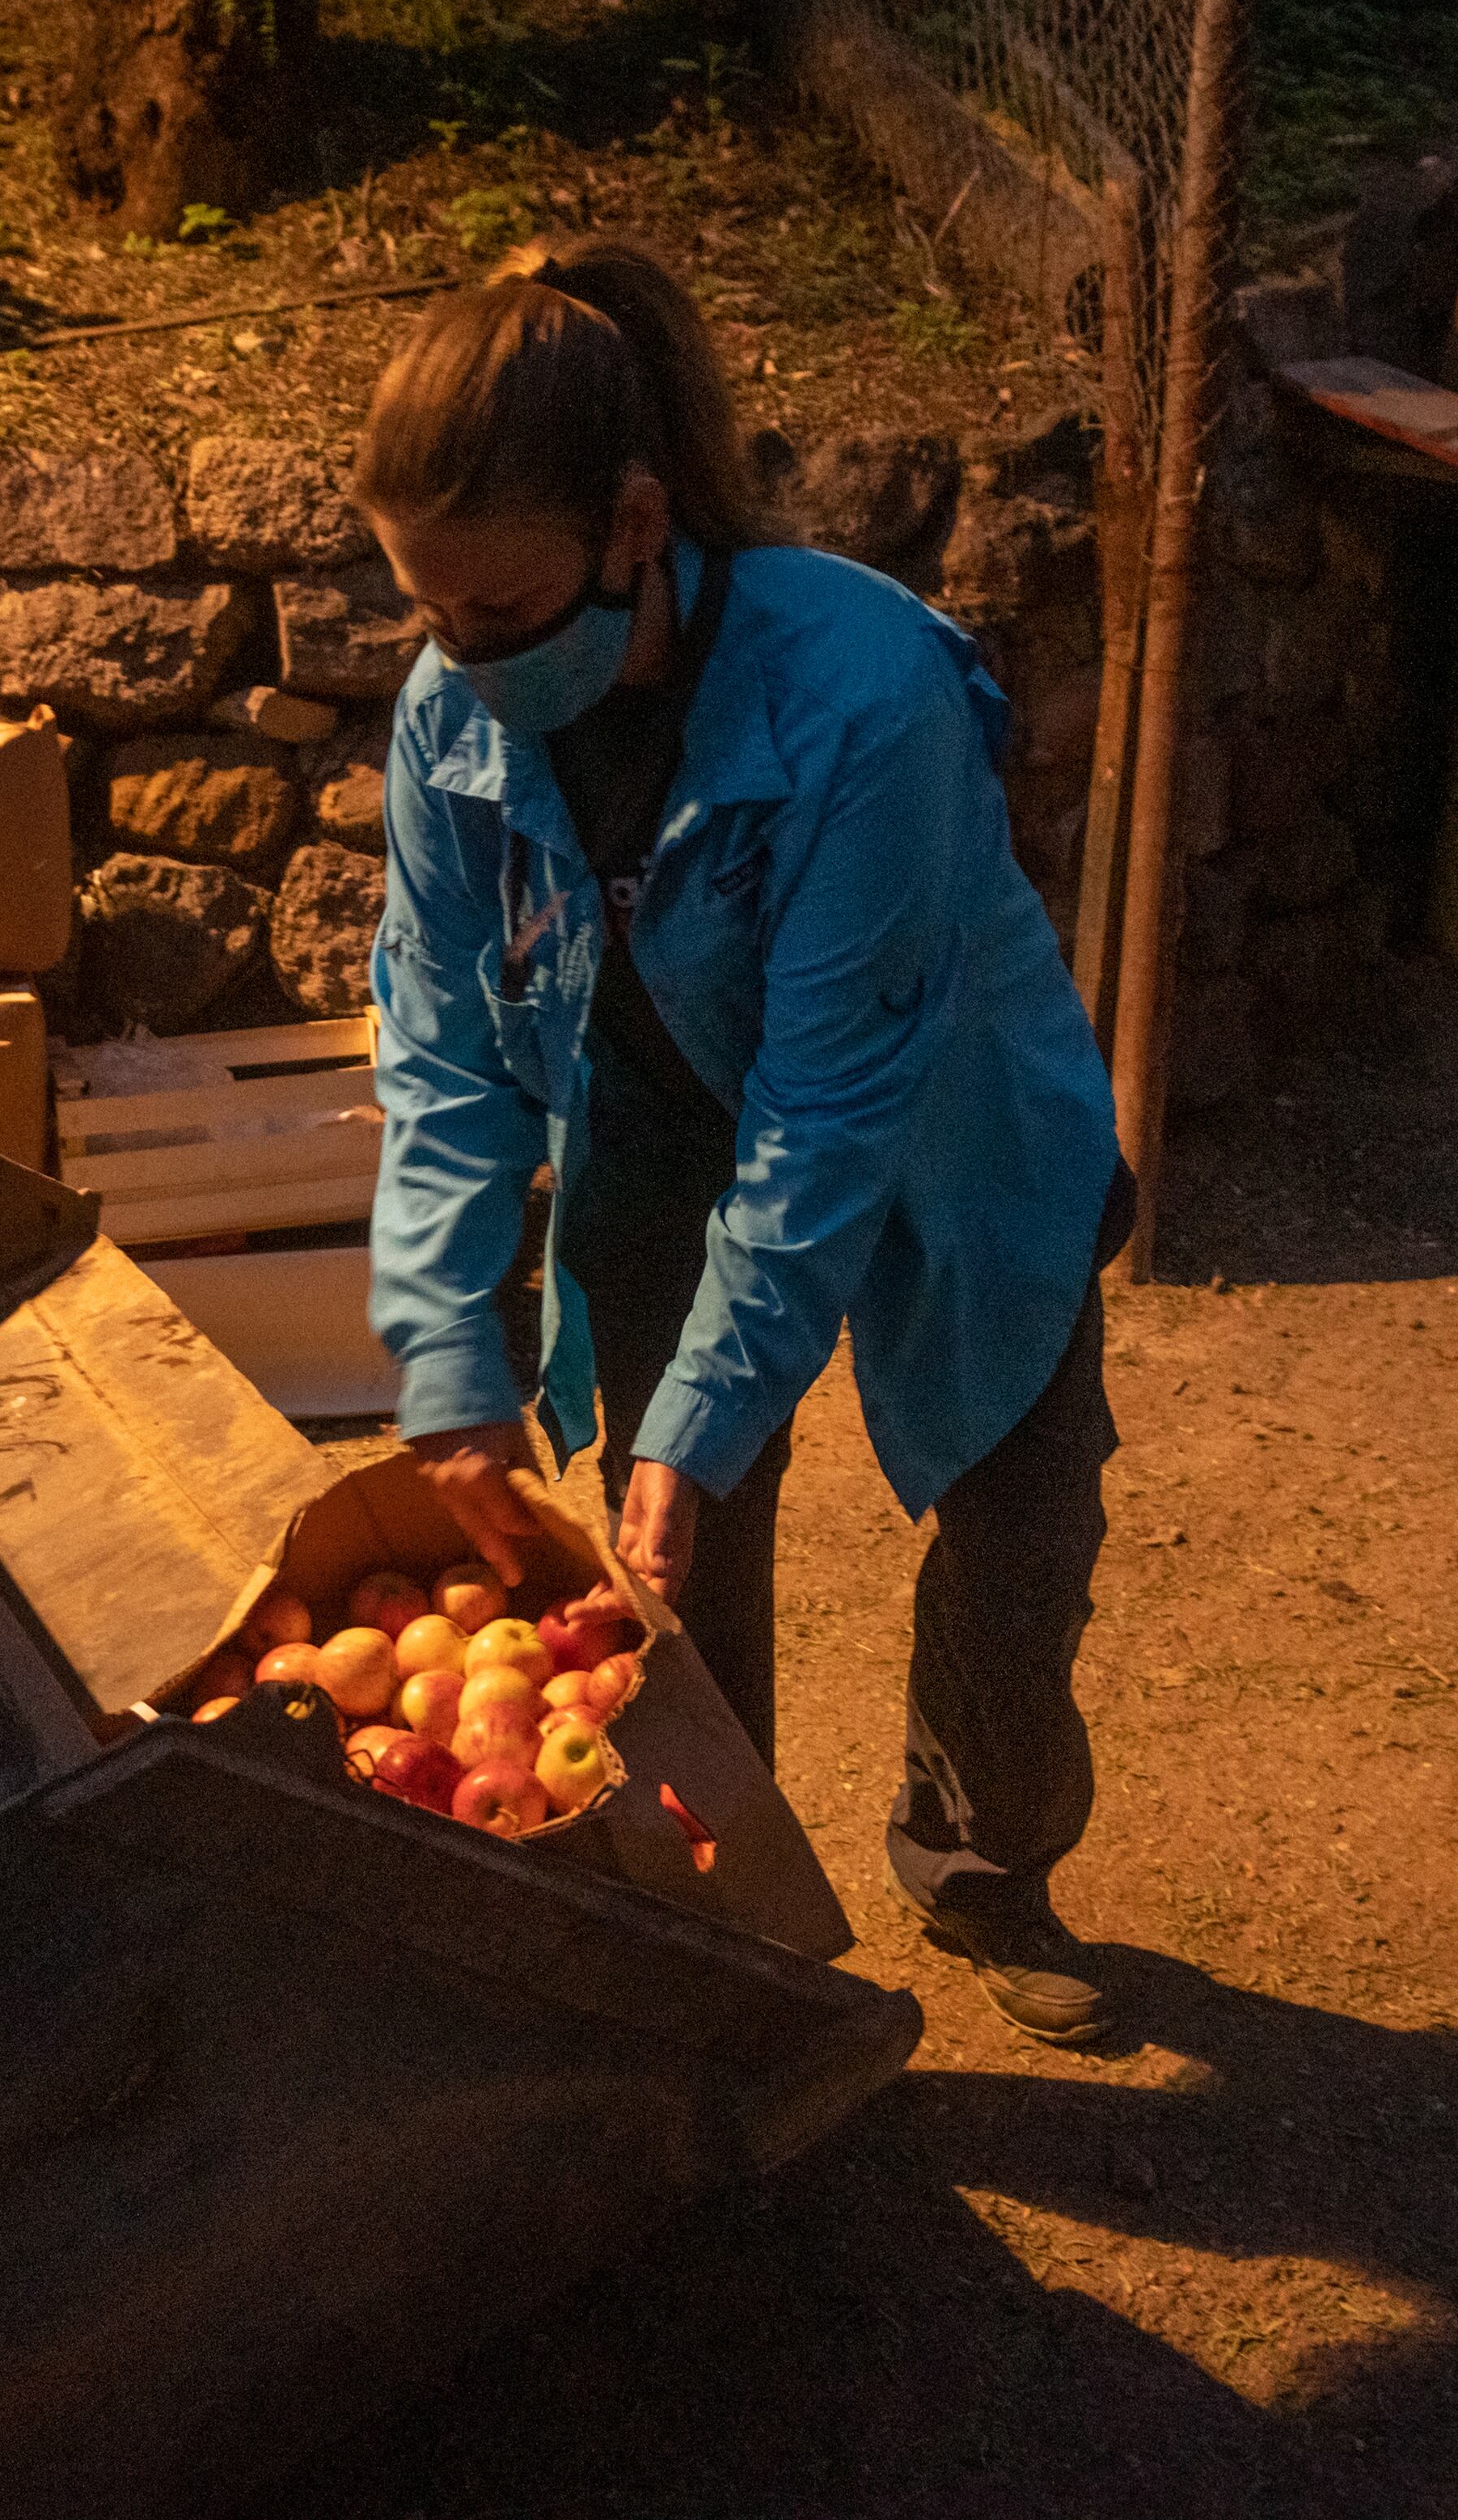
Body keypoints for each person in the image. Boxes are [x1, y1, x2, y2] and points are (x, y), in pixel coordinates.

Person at [351, 238, 1132, 2045]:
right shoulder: (446, 706)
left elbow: (832, 1105)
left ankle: (981, 1862)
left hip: (948, 1124)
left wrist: (704, 1417)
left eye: (498, 610)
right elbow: (443, 1047)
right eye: (428, 612)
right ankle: (736, 1907)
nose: (461, 657)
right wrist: (448, 1346)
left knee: (1019, 1536)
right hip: (653, 1119)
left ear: (634, 524)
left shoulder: (865, 696)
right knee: (678, 1560)